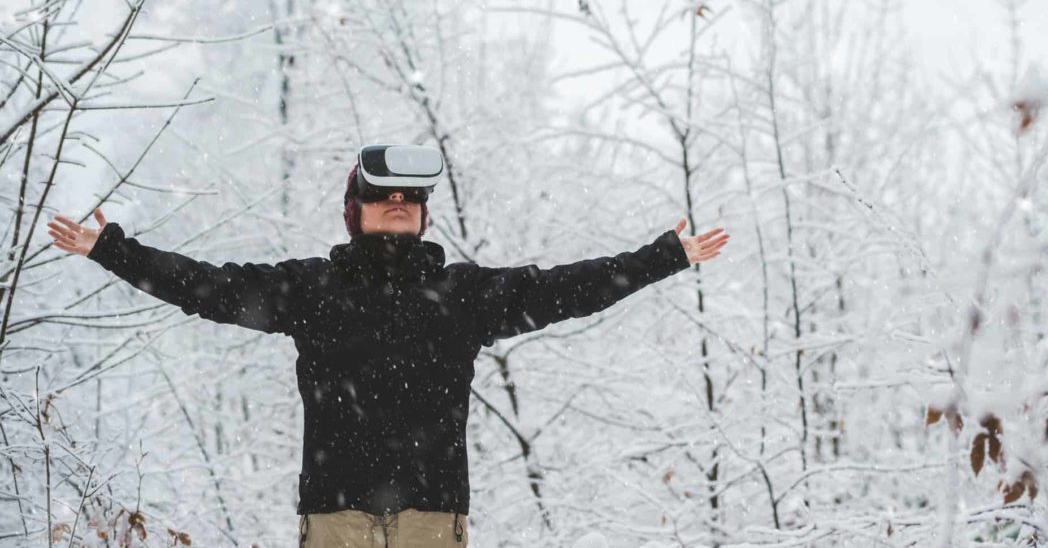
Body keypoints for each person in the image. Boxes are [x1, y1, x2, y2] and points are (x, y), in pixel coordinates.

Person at [45, 147, 730, 548]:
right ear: (358, 210)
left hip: (432, 515)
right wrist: (115, 250)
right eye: (384, 195)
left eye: (411, 196)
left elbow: (568, 289)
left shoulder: (462, 294)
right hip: (336, 514)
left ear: (426, 212)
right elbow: (209, 288)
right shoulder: (312, 288)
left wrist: (663, 256)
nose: (399, 201)